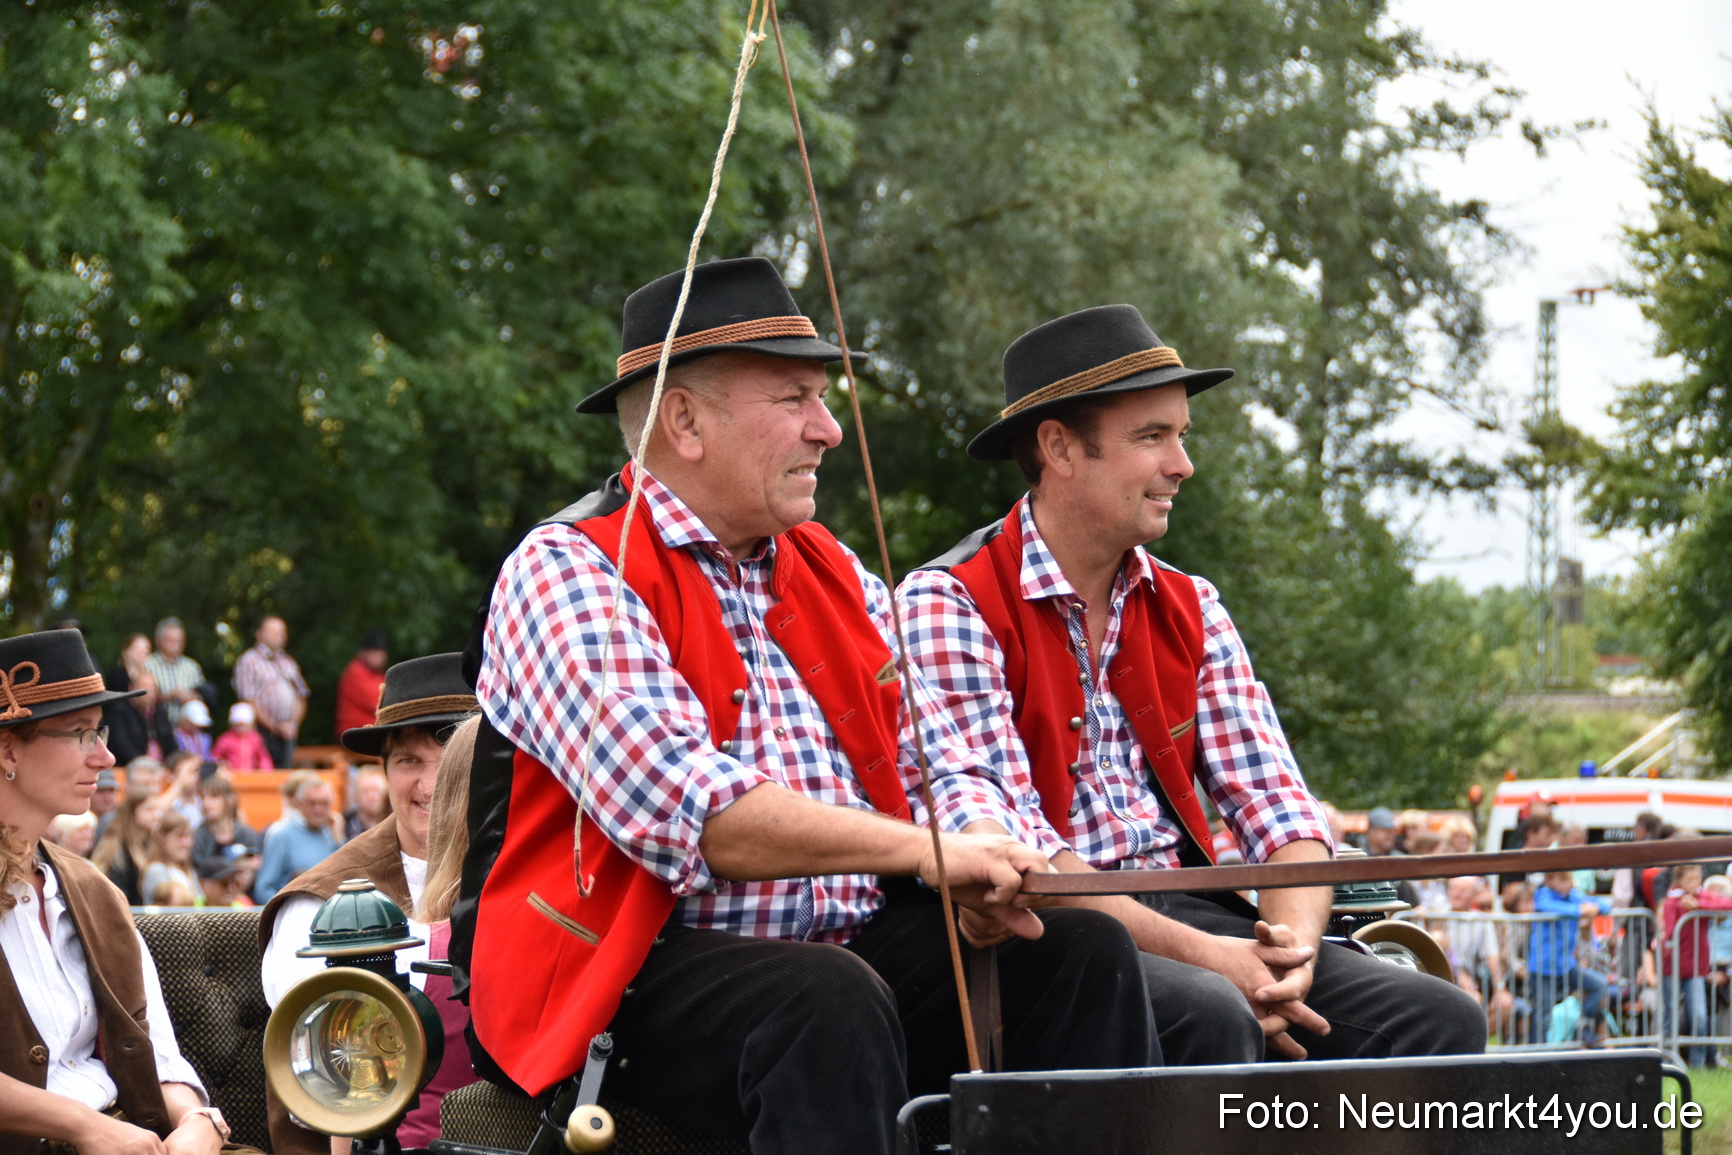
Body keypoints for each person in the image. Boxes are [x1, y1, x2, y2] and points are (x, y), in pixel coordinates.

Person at [457, 258, 1155, 1153]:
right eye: (795, 397)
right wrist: (929, 851)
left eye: (823, 399)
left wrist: (983, 856)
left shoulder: (828, 565)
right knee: (823, 996)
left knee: (1079, 951)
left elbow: (940, 758)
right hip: (618, 974)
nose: (827, 428)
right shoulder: (566, 568)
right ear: (685, 420)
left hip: (838, 950)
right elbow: (695, 811)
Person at [898, 303, 1485, 1065]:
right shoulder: (948, 600)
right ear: (1059, 448)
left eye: (1181, 435)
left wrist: (1290, 961)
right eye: (1153, 437)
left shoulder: (1192, 604)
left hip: (1195, 916)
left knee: (1441, 1018)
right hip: (1055, 942)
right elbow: (1019, 858)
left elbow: (1283, 814)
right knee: (1211, 1014)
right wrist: (1219, 963)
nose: (1183, 464)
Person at [0, 627, 245, 1153]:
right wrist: (84, 1126)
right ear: (7, 750)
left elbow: (155, 1053)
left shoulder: (92, 890)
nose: (106, 758)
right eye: (81, 733)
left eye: (101, 733)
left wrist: (198, 1122)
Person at [258, 653, 479, 1155]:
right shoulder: (318, 904)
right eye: (409, 761)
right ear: (382, 771)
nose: (430, 786)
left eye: (452, 764)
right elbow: (327, 1093)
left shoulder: (525, 880)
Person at [1660, 862, 1732, 1066]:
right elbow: (1671, 931)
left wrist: (1698, 907)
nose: (1695, 883)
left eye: (1697, 878)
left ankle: (1697, 1064)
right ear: (1680, 881)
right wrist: (1686, 910)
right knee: (1670, 1016)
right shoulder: (1671, 902)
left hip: (1696, 969)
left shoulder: (1701, 897)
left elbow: (1726, 904)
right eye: (1690, 879)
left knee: (1699, 1016)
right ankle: (1667, 1060)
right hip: (1671, 968)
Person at [1529, 869, 1612, 1046]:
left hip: (1566, 965)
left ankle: (1583, 1026)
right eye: (1562, 879)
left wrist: (1594, 907)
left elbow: (1604, 904)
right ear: (1549, 880)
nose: (1568, 883)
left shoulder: (1572, 895)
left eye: (1569, 878)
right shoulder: (1543, 894)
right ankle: (1535, 1055)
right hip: (1543, 967)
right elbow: (1546, 907)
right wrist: (1580, 910)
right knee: (1543, 1015)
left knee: (1599, 986)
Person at [232, 616, 308, 769]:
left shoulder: (287, 661)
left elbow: (301, 695)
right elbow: (248, 699)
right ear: (259, 634)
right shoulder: (249, 660)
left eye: (282, 631)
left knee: (286, 775)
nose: (279, 635)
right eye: (273, 631)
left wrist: (292, 724)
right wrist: (273, 726)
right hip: (262, 733)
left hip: (288, 732)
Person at [251, 772, 338, 904]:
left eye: (324, 804)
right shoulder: (281, 834)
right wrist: (287, 912)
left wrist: (338, 838)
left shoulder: (332, 833)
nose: (318, 810)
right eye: (312, 803)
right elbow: (263, 889)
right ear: (300, 804)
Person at [101, 633, 174, 765]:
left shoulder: (158, 711)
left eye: (145, 650)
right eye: (138, 650)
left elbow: (169, 740)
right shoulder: (118, 706)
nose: (149, 693)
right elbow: (122, 745)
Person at [89, 783, 160, 905]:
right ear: (133, 812)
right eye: (149, 810)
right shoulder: (118, 849)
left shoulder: (150, 843)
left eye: (156, 810)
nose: (155, 816)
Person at [143, 617, 208, 732]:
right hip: (159, 728)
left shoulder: (192, 666)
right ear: (158, 640)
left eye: (179, 640)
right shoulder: (148, 665)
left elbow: (203, 695)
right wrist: (170, 696)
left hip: (189, 730)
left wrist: (192, 696)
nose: (175, 644)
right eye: (170, 640)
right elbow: (142, 698)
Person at [192, 772, 261, 877]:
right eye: (203, 798)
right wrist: (237, 865)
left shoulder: (246, 834)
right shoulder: (198, 837)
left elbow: (256, 868)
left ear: (229, 800)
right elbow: (199, 874)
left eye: (214, 797)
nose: (206, 803)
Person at [333, 630, 389, 741]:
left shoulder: (379, 675)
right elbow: (378, 703)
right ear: (363, 653)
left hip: (373, 730)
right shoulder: (355, 671)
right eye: (374, 653)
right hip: (354, 733)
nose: (379, 657)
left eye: (381, 654)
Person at [140, 811, 199, 908]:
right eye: (180, 836)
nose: (186, 843)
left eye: (188, 836)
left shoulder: (190, 872)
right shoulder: (156, 870)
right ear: (163, 837)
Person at [209, 703, 273, 771]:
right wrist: (221, 764)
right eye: (238, 725)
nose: (241, 728)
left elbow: (263, 757)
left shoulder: (255, 738)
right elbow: (215, 756)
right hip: (231, 776)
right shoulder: (226, 739)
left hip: (250, 776)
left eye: (244, 725)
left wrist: (265, 770)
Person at [342, 766, 389, 839]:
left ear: (385, 794)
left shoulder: (396, 825)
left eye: (376, 790)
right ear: (356, 795)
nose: (371, 796)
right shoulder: (344, 825)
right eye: (365, 791)